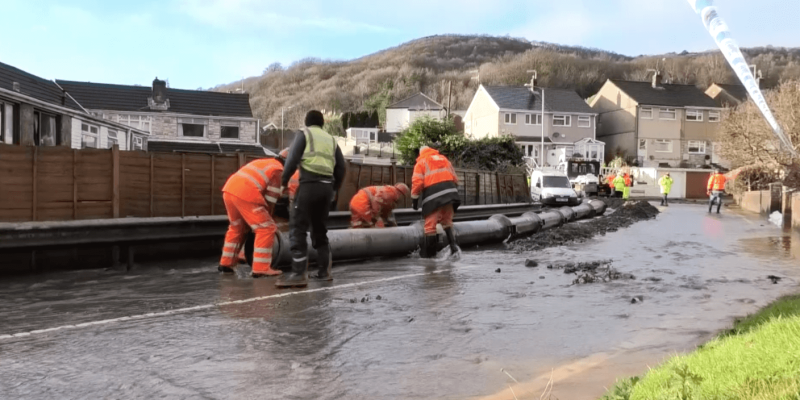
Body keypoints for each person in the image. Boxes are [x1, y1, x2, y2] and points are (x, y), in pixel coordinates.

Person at [276, 110, 346, 288]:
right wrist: (334, 188)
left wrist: (284, 181)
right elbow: (341, 168)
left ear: (307, 123)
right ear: (322, 123)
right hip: (326, 189)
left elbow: (292, 159)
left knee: (297, 228)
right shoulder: (331, 140)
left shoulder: (304, 134)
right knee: (320, 231)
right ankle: (325, 273)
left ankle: (299, 274)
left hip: (308, 186)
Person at [218, 152, 287, 278]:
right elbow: (270, 201)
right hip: (246, 192)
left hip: (229, 190)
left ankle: (226, 263)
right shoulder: (278, 170)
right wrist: (269, 219)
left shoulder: (265, 162)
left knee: (237, 227)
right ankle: (261, 268)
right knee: (266, 228)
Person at [411, 145, 461, 258]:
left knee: (430, 226)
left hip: (433, 195)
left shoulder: (421, 162)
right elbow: (455, 179)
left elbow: (417, 182)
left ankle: (430, 257)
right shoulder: (444, 159)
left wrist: (414, 200)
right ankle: (454, 249)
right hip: (450, 193)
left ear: (420, 153)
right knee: (447, 222)